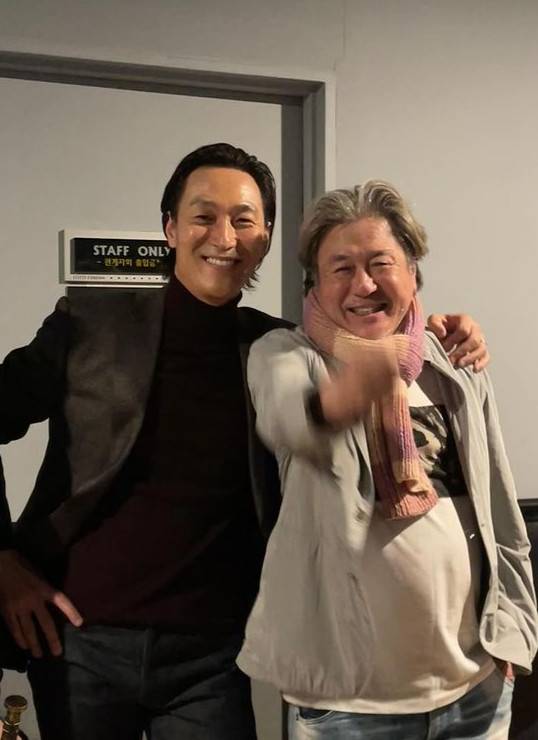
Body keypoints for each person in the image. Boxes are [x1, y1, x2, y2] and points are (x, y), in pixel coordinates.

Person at [0, 146, 489, 740]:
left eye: (244, 220)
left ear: (265, 238)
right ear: (171, 228)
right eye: (204, 217)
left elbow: (366, 331)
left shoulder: (276, 349)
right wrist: (3, 562)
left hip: (212, 658)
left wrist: (436, 331)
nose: (224, 237)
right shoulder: (89, 326)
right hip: (82, 643)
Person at [237, 180, 537, 740]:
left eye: (381, 264)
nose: (364, 284)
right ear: (314, 283)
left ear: (413, 272)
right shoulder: (286, 356)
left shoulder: (452, 364)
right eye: (341, 269)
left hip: (476, 689)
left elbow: (500, 512)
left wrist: (515, 635)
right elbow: (290, 417)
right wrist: (352, 389)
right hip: (350, 706)